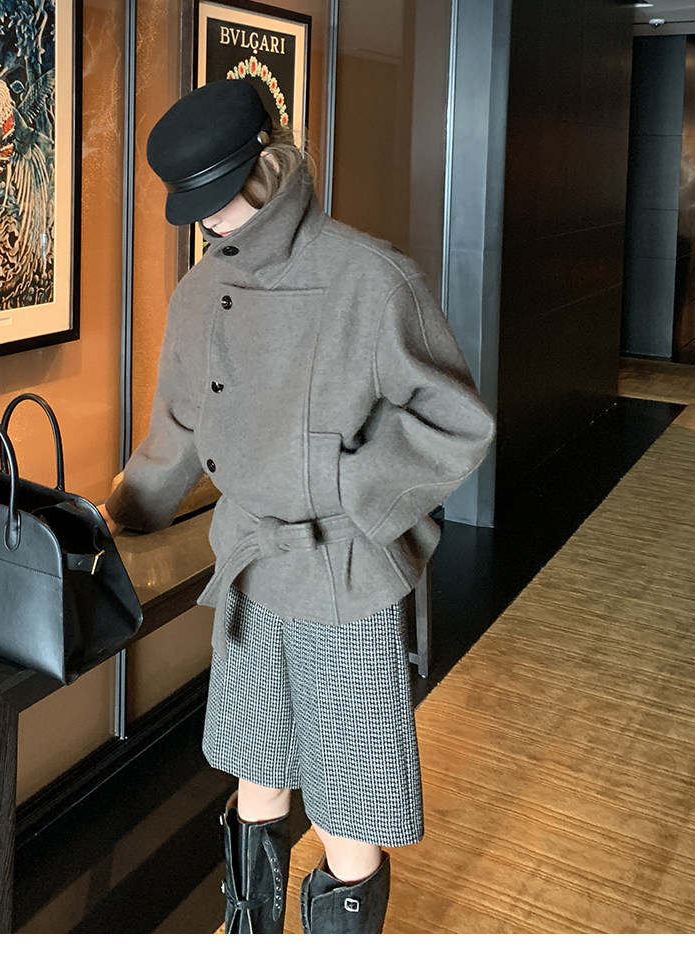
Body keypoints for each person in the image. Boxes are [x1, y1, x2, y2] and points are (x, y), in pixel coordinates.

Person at [103, 78, 494, 934]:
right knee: (256, 774)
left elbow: (457, 422)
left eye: (218, 195)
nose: (208, 221)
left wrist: (344, 484)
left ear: (268, 167)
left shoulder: (370, 278)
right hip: (249, 570)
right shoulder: (201, 292)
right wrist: (120, 512)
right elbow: (178, 428)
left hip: (343, 578)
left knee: (349, 807)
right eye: (194, 206)